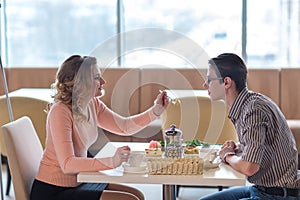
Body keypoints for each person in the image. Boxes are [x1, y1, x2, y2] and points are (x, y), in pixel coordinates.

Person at [30, 55, 169, 200]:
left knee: (137, 195)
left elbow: (124, 127)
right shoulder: (60, 111)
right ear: (80, 83)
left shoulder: (93, 104)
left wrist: (155, 111)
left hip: (79, 181)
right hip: (54, 191)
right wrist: (112, 161)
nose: (103, 82)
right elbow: (67, 164)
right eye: (96, 77)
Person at [200, 53, 300, 200]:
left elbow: (249, 167)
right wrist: (240, 147)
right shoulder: (249, 103)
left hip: (276, 194)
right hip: (263, 189)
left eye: (209, 79)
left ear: (226, 82)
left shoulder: (253, 110)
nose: (205, 84)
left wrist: (227, 156)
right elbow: (265, 145)